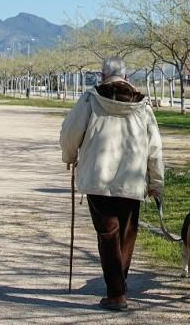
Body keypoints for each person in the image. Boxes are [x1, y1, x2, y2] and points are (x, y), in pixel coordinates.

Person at [60, 56, 164, 311]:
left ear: (102, 76)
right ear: (126, 78)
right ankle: (119, 287)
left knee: (108, 234)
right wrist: (156, 182)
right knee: (126, 234)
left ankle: (116, 292)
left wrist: (70, 156)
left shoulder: (90, 100)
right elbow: (155, 149)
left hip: (99, 178)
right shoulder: (143, 106)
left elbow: (70, 133)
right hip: (132, 179)